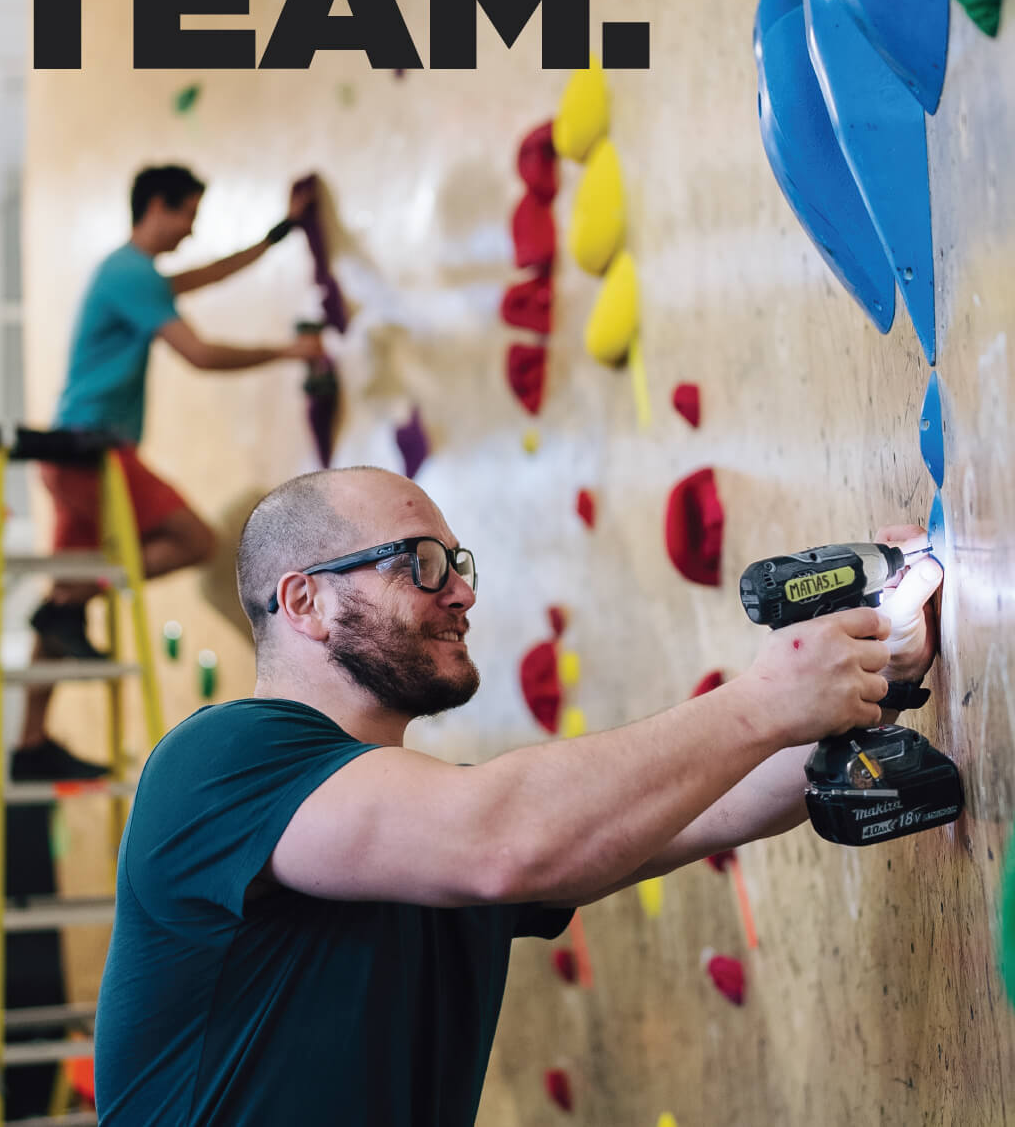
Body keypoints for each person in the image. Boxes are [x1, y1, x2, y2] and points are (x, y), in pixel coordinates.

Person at [93, 467, 943, 1127]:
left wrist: (875, 668)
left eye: (458, 565)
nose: (461, 591)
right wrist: (765, 699)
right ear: (305, 601)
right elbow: (507, 841)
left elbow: (709, 805)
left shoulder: (422, 842)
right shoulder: (220, 762)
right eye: (421, 564)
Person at [11, 164, 325, 783]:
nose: (189, 232)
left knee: (65, 591)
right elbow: (201, 354)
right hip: (92, 453)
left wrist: (276, 236)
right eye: (188, 216)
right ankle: (70, 606)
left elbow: (199, 278)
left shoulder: (129, 275)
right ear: (159, 205)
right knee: (194, 541)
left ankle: (29, 741)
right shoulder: (130, 272)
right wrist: (292, 352)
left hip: (68, 456)